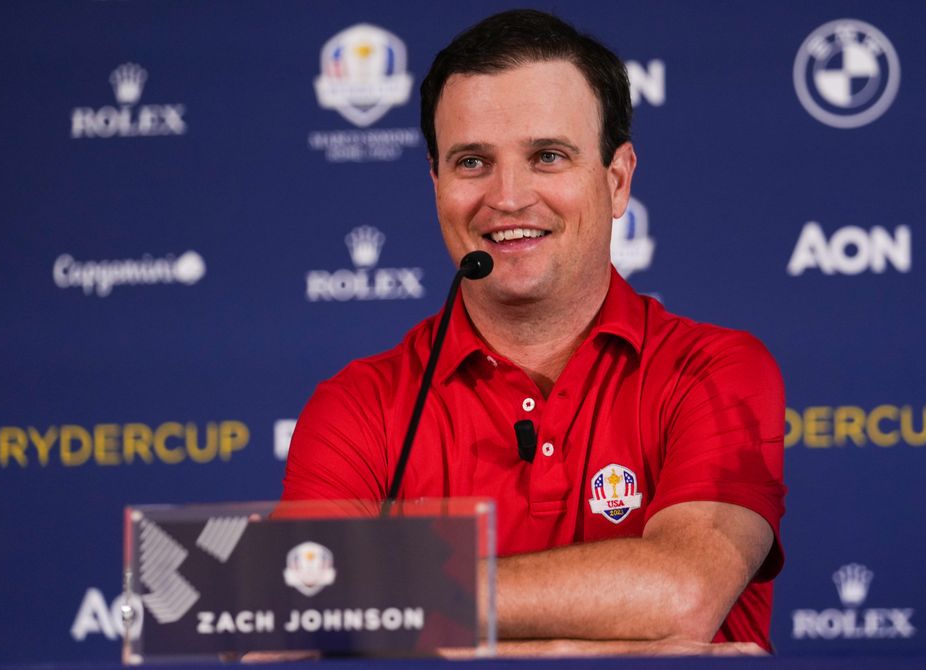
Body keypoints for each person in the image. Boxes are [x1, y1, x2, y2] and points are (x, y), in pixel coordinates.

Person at [283, 9, 786, 655]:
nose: (510, 196)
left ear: (617, 180)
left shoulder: (716, 370)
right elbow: (293, 624)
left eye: (547, 156)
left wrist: (387, 604)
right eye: (472, 162)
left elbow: (681, 597)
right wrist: (593, 647)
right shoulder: (358, 405)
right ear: (436, 185)